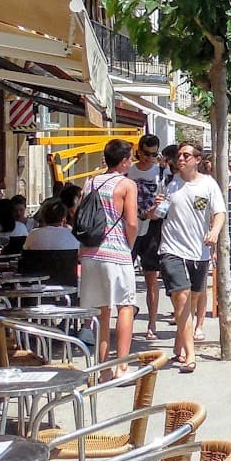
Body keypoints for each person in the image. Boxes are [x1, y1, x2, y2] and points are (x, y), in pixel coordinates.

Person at [157, 140, 224, 373]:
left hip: (199, 251)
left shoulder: (208, 185)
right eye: (179, 155)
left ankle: (180, 341)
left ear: (197, 159)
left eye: (186, 155)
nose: (181, 159)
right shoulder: (169, 184)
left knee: (193, 299)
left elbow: (219, 212)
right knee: (183, 297)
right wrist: (154, 209)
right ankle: (190, 354)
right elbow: (157, 214)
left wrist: (214, 232)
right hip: (171, 249)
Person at [79, 138, 140, 368]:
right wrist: (129, 245)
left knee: (102, 312)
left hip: (90, 253)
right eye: (130, 158)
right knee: (125, 306)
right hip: (116, 252)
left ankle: (102, 369)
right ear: (124, 161)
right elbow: (132, 223)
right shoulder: (126, 185)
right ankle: (122, 365)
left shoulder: (90, 182)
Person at [128, 133, 166, 341]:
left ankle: (151, 322)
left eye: (153, 155)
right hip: (131, 227)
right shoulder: (129, 172)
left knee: (152, 278)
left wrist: (156, 211)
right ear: (139, 152)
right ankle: (129, 312)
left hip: (152, 229)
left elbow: (169, 200)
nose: (149, 158)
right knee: (127, 277)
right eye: (146, 154)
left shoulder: (162, 172)